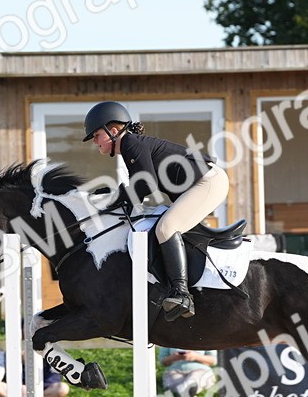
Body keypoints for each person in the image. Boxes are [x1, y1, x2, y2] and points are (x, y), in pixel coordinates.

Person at [83, 101, 230, 321]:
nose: (94, 142)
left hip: (208, 182)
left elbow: (145, 184)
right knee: (161, 225)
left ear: (113, 131)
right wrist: (115, 198)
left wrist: (115, 198)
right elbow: (138, 191)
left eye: (96, 135)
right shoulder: (130, 146)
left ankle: (182, 294)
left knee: (166, 228)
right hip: (202, 182)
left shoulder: (130, 142)